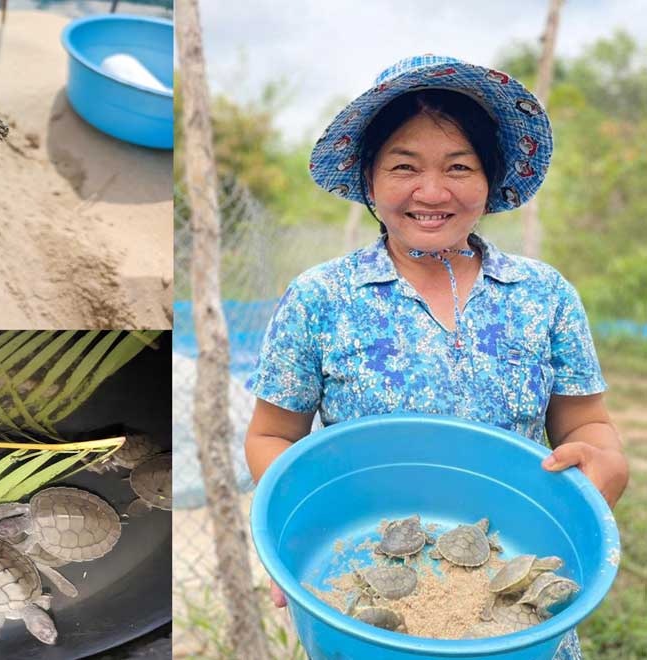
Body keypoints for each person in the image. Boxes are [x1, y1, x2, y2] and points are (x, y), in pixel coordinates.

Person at [243, 55, 629, 659]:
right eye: (404, 166)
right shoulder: (320, 298)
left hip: (516, 593)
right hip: (369, 588)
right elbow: (272, 436)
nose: (431, 192)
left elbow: (587, 424)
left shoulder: (544, 294)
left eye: (459, 167)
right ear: (369, 180)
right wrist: (294, 530)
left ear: (490, 181)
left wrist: (606, 466)